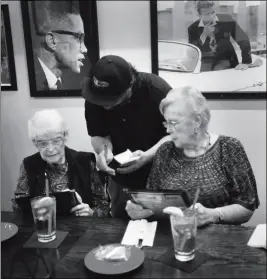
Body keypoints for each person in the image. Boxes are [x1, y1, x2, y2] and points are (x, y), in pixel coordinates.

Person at [126, 86, 260, 226]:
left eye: (173, 122)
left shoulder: (228, 148)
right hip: (174, 238)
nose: (167, 129)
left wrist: (214, 215)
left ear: (197, 120)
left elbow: (247, 207)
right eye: (166, 122)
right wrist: (140, 210)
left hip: (220, 240)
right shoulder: (165, 151)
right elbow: (153, 203)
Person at [82, 55, 172, 218]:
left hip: (161, 173)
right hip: (121, 177)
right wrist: (104, 152)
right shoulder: (94, 96)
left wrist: (147, 156)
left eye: (111, 100)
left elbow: (176, 134)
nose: (105, 105)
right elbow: (98, 135)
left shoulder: (157, 91)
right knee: (121, 225)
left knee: (161, 226)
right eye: (101, 100)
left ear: (129, 87)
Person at [12, 109, 110, 217]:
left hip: (80, 228)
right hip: (45, 227)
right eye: (43, 143)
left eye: (56, 141)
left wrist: (92, 213)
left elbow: (104, 206)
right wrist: (37, 207)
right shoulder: (29, 164)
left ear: (65, 137)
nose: (50, 148)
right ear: (35, 143)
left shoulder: (85, 161)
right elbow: (17, 206)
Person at [32, 1, 87, 92]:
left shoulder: (63, 80)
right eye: (78, 38)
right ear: (52, 41)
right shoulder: (28, 80)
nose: (85, 49)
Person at [188, 0, 252, 72]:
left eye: (213, 12)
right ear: (199, 15)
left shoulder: (226, 20)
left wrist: (246, 62)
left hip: (226, 60)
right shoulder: (193, 28)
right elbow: (192, 52)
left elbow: (243, 39)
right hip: (205, 62)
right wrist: (204, 35)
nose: (211, 16)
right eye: (207, 14)